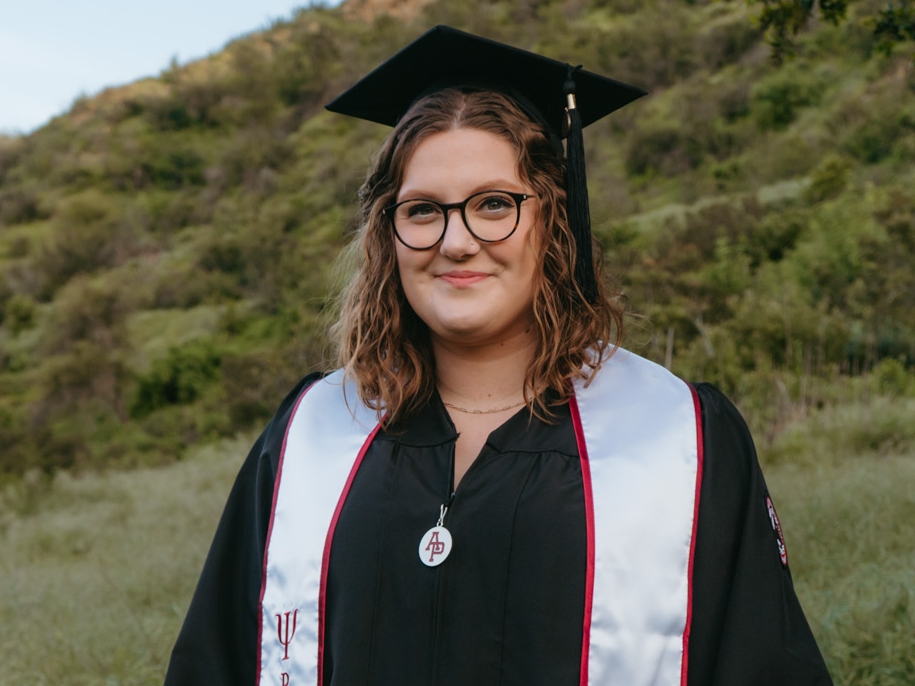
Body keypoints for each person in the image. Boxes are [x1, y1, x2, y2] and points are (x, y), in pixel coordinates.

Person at [165, 26, 833, 686]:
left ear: (553, 220)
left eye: (493, 204)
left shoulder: (679, 438)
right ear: (387, 234)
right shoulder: (309, 436)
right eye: (422, 210)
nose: (455, 241)